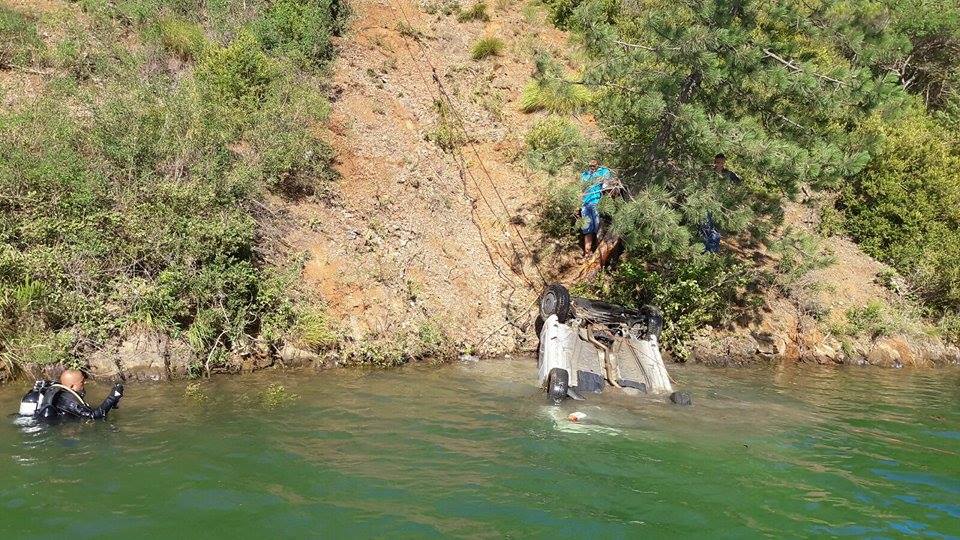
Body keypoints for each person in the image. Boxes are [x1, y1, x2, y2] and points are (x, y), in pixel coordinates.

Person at [33, 370, 124, 420]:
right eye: (82, 382)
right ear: (72, 386)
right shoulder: (69, 401)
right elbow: (94, 416)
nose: (84, 383)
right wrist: (113, 397)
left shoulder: (55, 390)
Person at [579, 159, 611, 256]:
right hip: (585, 204)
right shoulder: (584, 175)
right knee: (587, 229)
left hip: (597, 203)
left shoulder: (603, 172)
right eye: (590, 166)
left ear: (598, 165)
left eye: (594, 166)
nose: (592, 167)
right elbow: (582, 188)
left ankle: (599, 254)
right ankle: (587, 253)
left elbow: (606, 184)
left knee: (598, 228)